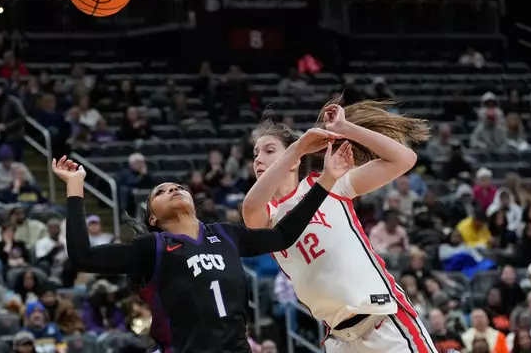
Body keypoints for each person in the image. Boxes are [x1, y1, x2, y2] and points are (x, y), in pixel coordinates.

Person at [55, 126, 354, 353]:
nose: (172, 189)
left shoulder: (226, 233)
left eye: (176, 186)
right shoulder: (153, 248)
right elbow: (83, 256)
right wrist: (75, 187)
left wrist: (326, 180)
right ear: (153, 219)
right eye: (160, 192)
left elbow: (284, 235)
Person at [242, 101, 437, 353]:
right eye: (255, 153)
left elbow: (405, 158)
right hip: (339, 339)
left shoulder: (330, 183)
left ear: (294, 161)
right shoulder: (267, 214)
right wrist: (297, 148)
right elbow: (250, 207)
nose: (258, 159)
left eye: (268, 150)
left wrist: (346, 128)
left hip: (383, 319)